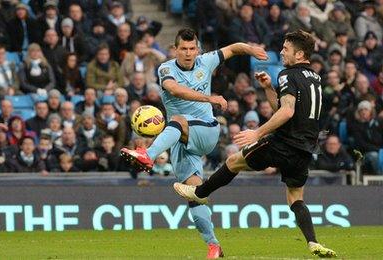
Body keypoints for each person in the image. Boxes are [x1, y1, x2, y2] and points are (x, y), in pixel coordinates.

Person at [172, 30, 336, 257]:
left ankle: (200, 191)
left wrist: (257, 132)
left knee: (233, 161)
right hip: (306, 148)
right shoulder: (315, 77)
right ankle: (312, 242)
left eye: (286, 49)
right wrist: (268, 88)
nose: (281, 52)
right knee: (295, 197)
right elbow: (285, 107)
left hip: (283, 142)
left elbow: (286, 112)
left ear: (299, 54)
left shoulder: (288, 74)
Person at [120, 28, 268, 259]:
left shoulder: (206, 61)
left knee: (178, 119)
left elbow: (232, 48)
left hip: (206, 130)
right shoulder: (166, 68)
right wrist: (210, 98)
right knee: (195, 194)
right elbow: (174, 89)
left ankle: (147, 155)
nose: (188, 53)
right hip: (180, 139)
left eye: (192, 48)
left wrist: (251, 49)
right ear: (175, 49)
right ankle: (214, 245)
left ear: (197, 49)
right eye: (183, 49)